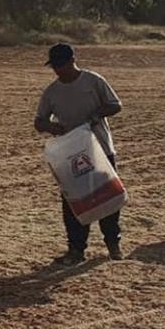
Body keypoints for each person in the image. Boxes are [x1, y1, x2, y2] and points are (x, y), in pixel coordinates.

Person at [34, 43, 124, 264]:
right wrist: (52, 127)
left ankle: (113, 244)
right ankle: (76, 250)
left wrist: (95, 116)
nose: (58, 70)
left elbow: (115, 105)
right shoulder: (52, 92)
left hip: (100, 149)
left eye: (62, 65)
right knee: (74, 202)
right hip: (71, 154)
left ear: (73, 60)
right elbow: (39, 121)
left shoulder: (93, 81)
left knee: (108, 198)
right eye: (55, 66)